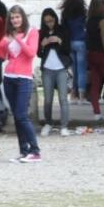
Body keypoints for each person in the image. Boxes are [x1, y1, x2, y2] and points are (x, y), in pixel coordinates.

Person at [0, 5, 42, 162]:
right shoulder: (9, 33)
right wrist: (4, 42)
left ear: (23, 17)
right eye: (12, 18)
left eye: (17, 17)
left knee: (22, 115)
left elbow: (31, 53)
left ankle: (35, 151)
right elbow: (2, 54)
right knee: (17, 117)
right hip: (9, 77)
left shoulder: (32, 32)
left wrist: (17, 39)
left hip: (24, 78)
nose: (15, 20)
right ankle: (24, 151)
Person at [37, 8, 72, 136]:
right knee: (47, 99)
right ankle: (48, 123)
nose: (49, 24)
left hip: (61, 68)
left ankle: (64, 126)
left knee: (63, 98)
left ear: (55, 19)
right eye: (46, 22)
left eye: (51, 21)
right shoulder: (41, 32)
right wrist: (43, 45)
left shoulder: (63, 30)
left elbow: (67, 50)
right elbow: (38, 54)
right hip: (47, 69)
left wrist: (59, 40)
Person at [60, 0, 87, 104]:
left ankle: (73, 95)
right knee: (81, 70)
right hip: (81, 42)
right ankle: (82, 97)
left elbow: (63, 28)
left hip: (70, 42)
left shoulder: (65, 13)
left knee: (74, 70)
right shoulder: (83, 12)